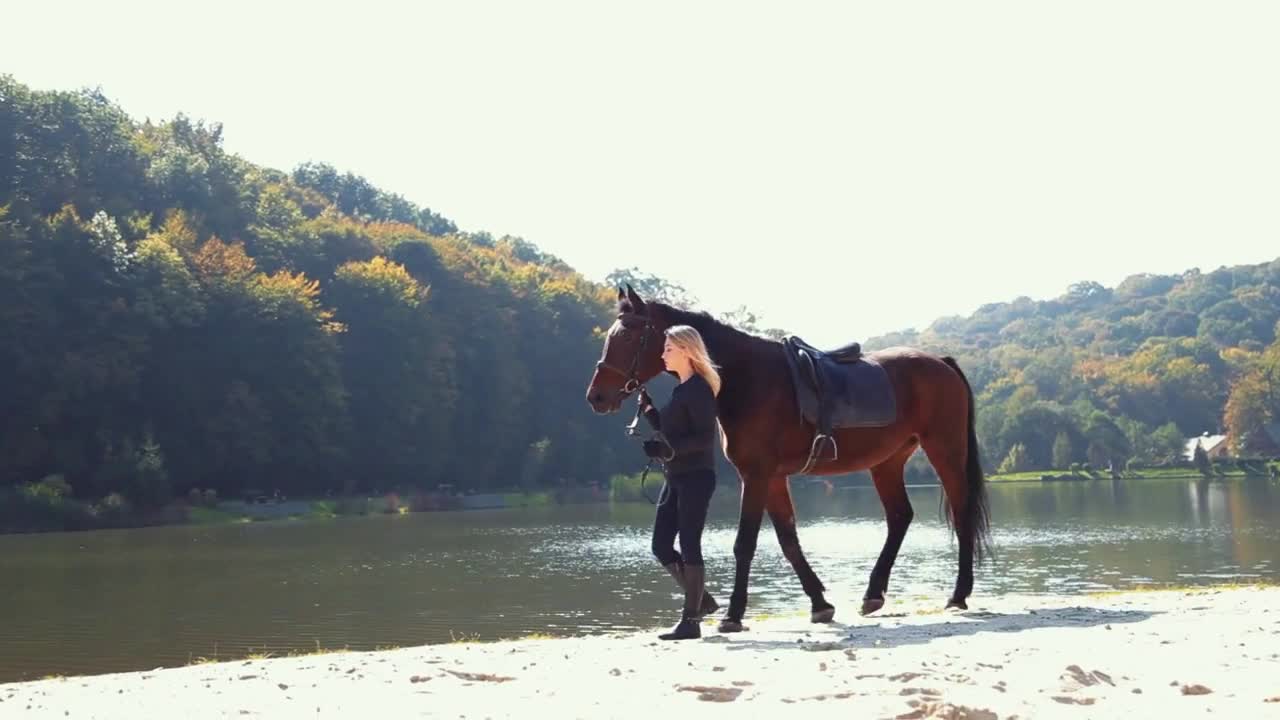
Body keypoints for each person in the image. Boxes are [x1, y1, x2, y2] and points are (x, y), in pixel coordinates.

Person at [636, 324, 722, 641]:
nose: (663, 354)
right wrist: (649, 413)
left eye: (668, 349)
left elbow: (703, 438)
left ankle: (691, 621)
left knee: (689, 545)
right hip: (676, 477)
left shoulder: (699, 388)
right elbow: (672, 431)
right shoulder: (681, 389)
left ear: (686, 351)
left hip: (697, 478)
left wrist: (666, 449)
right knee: (660, 545)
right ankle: (703, 601)